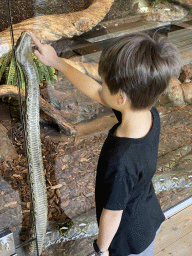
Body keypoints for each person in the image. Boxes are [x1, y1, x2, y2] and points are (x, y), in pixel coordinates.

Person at [29, 31, 181, 256]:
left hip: (128, 242)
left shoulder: (120, 161)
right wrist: (56, 62)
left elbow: (112, 213)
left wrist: (101, 250)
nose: (101, 86)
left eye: (105, 82)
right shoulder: (148, 114)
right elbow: (98, 92)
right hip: (148, 217)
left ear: (121, 98)